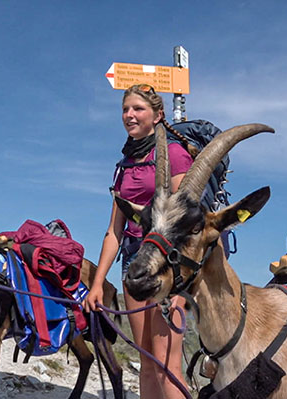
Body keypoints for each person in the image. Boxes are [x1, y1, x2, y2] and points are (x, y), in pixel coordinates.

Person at [82, 84, 194, 398]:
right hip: (133, 263)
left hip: (166, 265)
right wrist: (97, 284)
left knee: (165, 363)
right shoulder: (124, 166)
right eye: (125, 110)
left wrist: (179, 285)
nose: (129, 115)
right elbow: (113, 232)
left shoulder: (173, 154)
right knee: (147, 360)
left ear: (158, 115)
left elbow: (184, 219)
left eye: (138, 109)